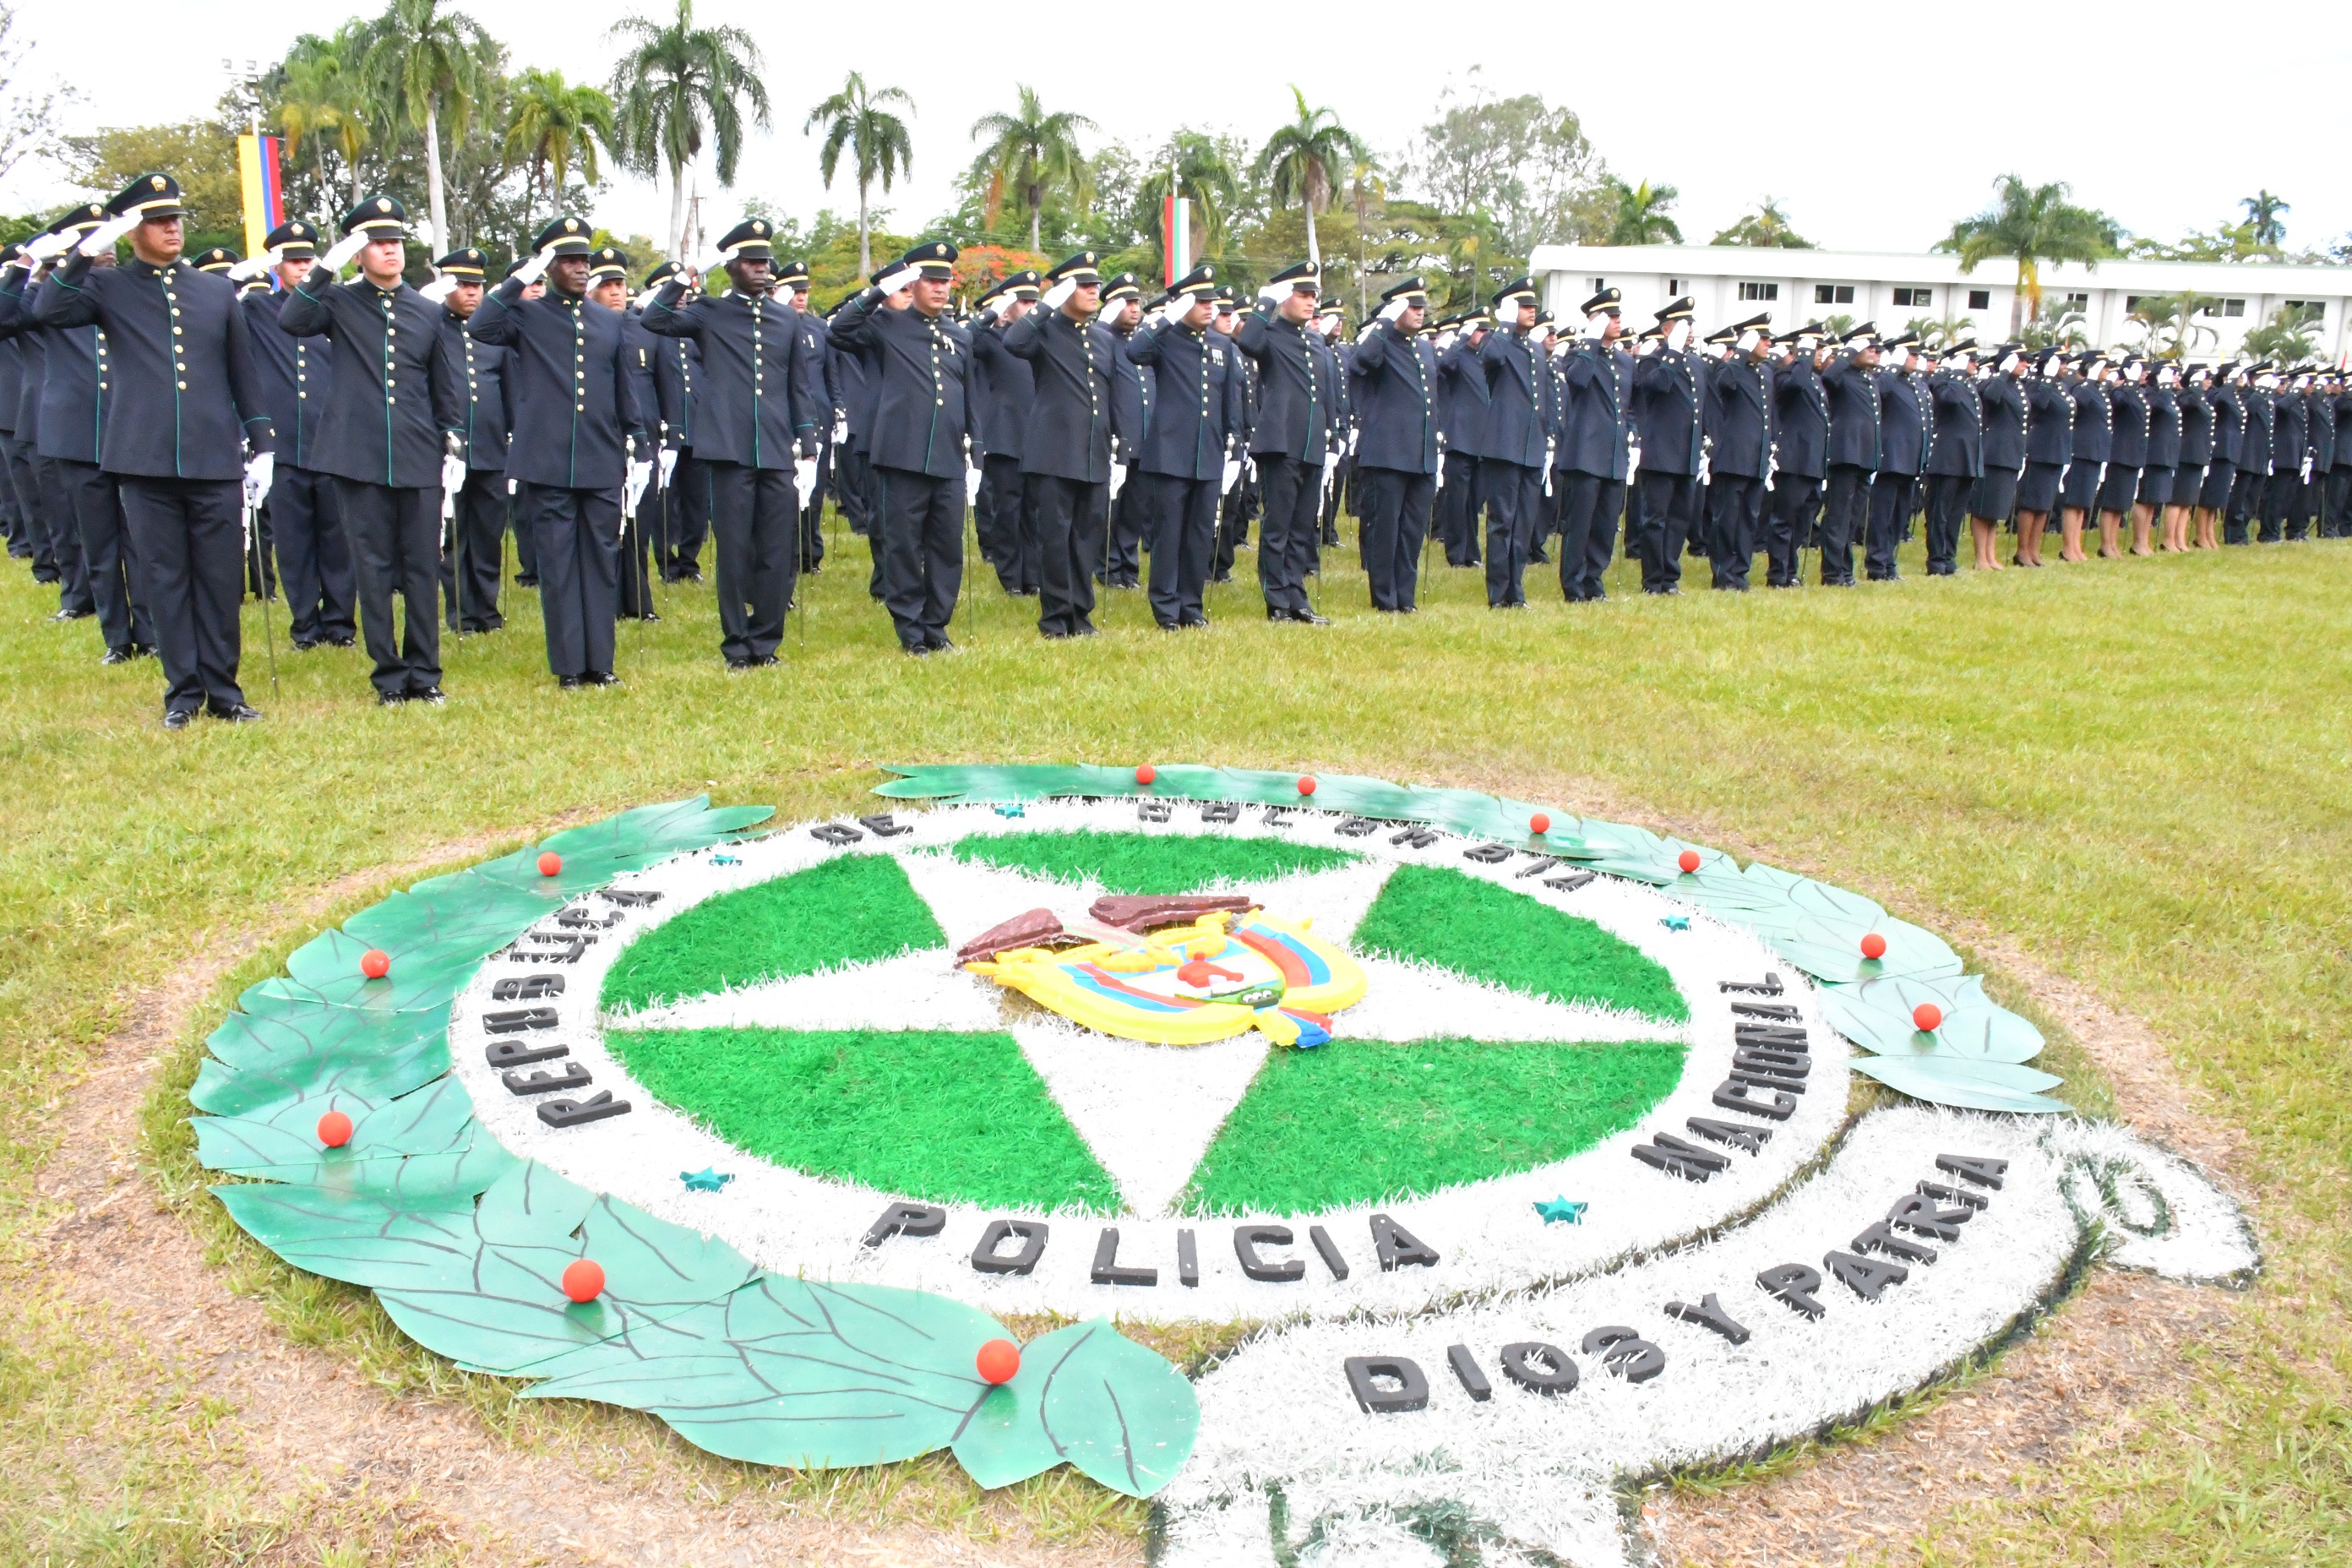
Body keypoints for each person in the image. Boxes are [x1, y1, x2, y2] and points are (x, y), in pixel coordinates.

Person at [35, 172, 275, 727]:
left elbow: (243, 372)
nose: (172, 229)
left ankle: (225, 691)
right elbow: (49, 310)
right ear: (132, 231)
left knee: (220, 579)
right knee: (165, 579)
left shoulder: (215, 291)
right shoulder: (108, 287)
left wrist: (263, 444)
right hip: (144, 459)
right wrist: (85, 251)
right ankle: (183, 693)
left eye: (175, 219)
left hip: (213, 456)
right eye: (158, 221)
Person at [277, 194, 466, 706]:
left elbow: (441, 384)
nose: (390, 250)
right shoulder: (340, 302)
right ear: (359, 253)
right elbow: (292, 320)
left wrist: (453, 439)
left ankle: (425, 673)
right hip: (357, 455)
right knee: (373, 568)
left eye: (395, 241)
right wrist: (325, 269)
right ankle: (389, 675)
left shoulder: (426, 310)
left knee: (423, 567)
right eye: (378, 243)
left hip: (417, 453)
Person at [468, 215, 649, 689]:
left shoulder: (609, 321)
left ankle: (600, 663)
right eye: (567, 260)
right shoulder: (526, 315)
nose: (580, 267)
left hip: (600, 456)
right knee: (559, 565)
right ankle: (570, 666)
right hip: (548, 461)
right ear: (548, 266)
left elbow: (622, 386)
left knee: (601, 562)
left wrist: (637, 442)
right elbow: (481, 326)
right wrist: (521, 277)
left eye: (583, 259)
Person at [641, 218, 826, 669]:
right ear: (730, 267)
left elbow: (797, 386)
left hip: (776, 448)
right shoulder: (710, 311)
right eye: (750, 262)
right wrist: (689, 274)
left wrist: (807, 446)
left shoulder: (786, 318)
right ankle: (737, 644)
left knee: (776, 549)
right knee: (734, 551)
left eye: (765, 261)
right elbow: (653, 318)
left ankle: (767, 641)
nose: (762, 268)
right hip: (728, 449)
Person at [9, 208, 147, 656]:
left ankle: (150, 634)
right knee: (99, 544)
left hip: (130, 430)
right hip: (79, 433)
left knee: (140, 542)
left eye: (109, 242)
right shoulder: (48, 296)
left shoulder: (127, 286)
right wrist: (24, 265)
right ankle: (117, 638)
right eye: (95, 244)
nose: (106, 252)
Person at [828, 241, 969, 654]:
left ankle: (936, 626)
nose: (940, 288)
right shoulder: (887, 325)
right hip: (902, 455)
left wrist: (975, 449)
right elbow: (839, 330)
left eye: (945, 281)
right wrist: (880, 290)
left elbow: (969, 394)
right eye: (930, 281)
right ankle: (911, 630)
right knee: (903, 546)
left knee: (947, 548)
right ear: (913, 284)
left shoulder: (960, 335)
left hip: (947, 455)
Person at [227, 219, 355, 651]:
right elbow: (214, 308)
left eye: (308, 260)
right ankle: (305, 625)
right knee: (293, 542)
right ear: (277, 267)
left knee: (337, 540)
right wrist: (236, 277)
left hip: (330, 441)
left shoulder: (335, 306)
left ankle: (340, 623)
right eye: (293, 261)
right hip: (282, 445)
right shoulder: (257, 308)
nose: (303, 267)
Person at [1003, 250, 1125, 638]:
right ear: (1065, 290)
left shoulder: (1102, 338)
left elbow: (1110, 392)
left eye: (1095, 285)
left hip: (1093, 451)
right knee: (1055, 539)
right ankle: (1056, 618)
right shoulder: (1045, 330)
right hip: (1054, 452)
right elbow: (1013, 342)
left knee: (1087, 538)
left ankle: (1080, 614)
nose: (1093, 291)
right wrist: (1045, 306)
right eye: (1083, 285)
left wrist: (1120, 446)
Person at [1123, 264, 1243, 628]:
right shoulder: (1166, 338)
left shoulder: (1222, 345)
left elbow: (1229, 401)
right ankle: (1166, 606)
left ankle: (1192, 605)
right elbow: (1135, 351)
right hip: (1170, 453)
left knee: (1200, 534)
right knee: (1169, 533)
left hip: (1208, 452)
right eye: (1200, 302)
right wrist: (1165, 317)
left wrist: (1234, 446)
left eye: (1211, 302)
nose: (1210, 307)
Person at [1237, 260, 1340, 624]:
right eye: (1303, 294)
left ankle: (1298, 599)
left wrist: (1331, 438)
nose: (1311, 301)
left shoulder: (1314, 340)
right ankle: (1276, 600)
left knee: (1302, 529)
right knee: (1277, 527)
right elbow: (1246, 342)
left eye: (1314, 295)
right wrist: (1266, 301)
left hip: (1311, 443)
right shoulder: (1269, 333)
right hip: (1279, 444)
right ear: (1286, 297)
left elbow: (1324, 393)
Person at [426, 246, 508, 632]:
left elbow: (509, 388)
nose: (472, 292)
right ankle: (461, 612)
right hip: (449, 449)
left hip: (492, 447)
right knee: (453, 535)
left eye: (477, 284)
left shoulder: (493, 333)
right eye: (462, 284)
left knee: (489, 534)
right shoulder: (432, 328)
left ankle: (487, 610)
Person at [1348, 275, 1440, 612]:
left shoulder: (1424, 347)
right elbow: (1359, 362)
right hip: (1387, 453)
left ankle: (1406, 597)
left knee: (1412, 531)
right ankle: (1385, 598)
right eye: (1412, 307)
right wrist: (1384, 322)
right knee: (1385, 529)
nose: (1420, 312)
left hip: (1420, 453)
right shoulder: (1381, 342)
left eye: (1421, 307)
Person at [1552, 289, 1633, 601]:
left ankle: (1594, 582)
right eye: (1610, 316)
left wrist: (1633, 436)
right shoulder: (1578, 355)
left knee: (1605, 525)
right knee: (1580, 525)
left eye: (1618, 315)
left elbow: (1630, 405)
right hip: (1585, 453)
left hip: (1614, 454)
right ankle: (1573, 586)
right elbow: (1578, 380)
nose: (1617, 321)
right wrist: (1590, 342)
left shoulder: (1624, 361)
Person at [966, 270, 1039, 595]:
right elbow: (965, 338)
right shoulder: (991, 339)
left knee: (1033, 511)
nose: (1031, 307)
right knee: (1008, 509)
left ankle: (1032, 575)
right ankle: (1010, 576)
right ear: (1008, 307)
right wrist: (994, 311)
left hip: (1036, 435)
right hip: (1006, 436)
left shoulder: (1039, 341)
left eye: (1034, 301)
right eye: (1023, 302)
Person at [1629, 297, 1707, 594]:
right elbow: (1658, 385)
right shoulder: (1653, 359)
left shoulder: (1696, 363)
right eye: (1683, 325)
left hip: (1687, 451)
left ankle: (1670, 577)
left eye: (1691, 325)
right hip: (1661, 452)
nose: (1690, 331)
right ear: (1666, 329)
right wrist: (1672, 352)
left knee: (1679, 519)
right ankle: (1653, 579)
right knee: (1655, 519)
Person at [1703, 313, 1773, 591]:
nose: (1768, 343)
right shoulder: (1731, 368)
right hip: (1732, 457)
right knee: (1726, 519)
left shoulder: (1765, 373)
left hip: (1756, 457)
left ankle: (1740, 573)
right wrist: (1741, 352)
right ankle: (1723, 574)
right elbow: (1724, 383)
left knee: (1748, 519)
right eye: (1762, 338)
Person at [1766, 322, 1829, 587]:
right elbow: (1795, 385)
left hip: (1813, 461)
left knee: (1803, 522)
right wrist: (1803, 356)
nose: (1820, 353)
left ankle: (1790, 571)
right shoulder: (1785, 375)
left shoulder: (1814, 379)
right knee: (1784, 520)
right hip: (1793, 460)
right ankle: (1777, 573)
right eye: (1816, 348)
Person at [1098, 272, 1151, 589]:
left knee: (1135, 509)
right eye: (1126, 303)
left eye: (1136, 302)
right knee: (1112, 508)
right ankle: (1108, 566)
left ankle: (1128, 567)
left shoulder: (1142, 343)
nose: (1134, 308)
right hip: (1116, 439)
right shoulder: (1103, 340)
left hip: (1143, 439)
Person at [1865, 333, 1928, 581]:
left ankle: (1889, 561)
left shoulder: (1917, 384)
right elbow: (1878, 392)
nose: (1916, 358)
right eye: (1911, 354)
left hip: (1911, 460)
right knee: (1882, 516)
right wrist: (1892, 367)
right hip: (1891, 459)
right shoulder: (1887, 379)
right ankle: (1877, 564)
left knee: (1900, 516)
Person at [1921, 340, 1982, 576]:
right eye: (1971, 359)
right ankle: (1936, 559)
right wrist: (1955, 372)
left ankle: (1948, 556)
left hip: (1965, 459)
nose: (1976, 364)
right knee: (1940, 512)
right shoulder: (1944, 381)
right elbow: (1950, 400)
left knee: (1956, 513)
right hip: (1946, 459)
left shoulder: (1967, 384)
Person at [1435, 310, 1489, 568]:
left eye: (1486, 330)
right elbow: (1444, 364)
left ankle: (1471, 551)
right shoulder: (1459, 356)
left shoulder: (1485, 358)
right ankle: (1456, 552)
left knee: (1475, 501)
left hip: (1483, 439)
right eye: (1479, 330)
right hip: (1460, 438)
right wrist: (1460, 338)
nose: (1484, 334)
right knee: (1457, 499)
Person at [1969, 343, 2027, 572]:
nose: (2025, 364)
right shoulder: (1993, 382)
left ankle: (1990, 554)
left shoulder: (2016, 386)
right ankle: (1980, 558)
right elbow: (1991, 398)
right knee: (1984, 507)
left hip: (2011, 453)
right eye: (2020, 359)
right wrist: (2003, 372)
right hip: (1994, 453)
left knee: (1996, 510)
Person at [2014, 348, 2072, 566]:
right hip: (2040, 450)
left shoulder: (2061, 387)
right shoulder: (2036, 385)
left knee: (2045, 505)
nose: (2065, 367)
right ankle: (2022, 551)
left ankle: (2034, 549)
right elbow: (2040, 404)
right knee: (2031, 503)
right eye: (2061, 362)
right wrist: (2047, 378)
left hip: (2057, 451)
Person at [2060, 353, 2110, 561]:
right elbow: (2078, 407)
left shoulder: (2098, 391)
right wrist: (2089, 379)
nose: (2108, 372)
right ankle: (2068, 548)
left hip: (2094, 452)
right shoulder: (2083, 389)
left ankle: (2076, 545)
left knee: (2083, 503)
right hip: (2081, 451)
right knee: (2073, 501)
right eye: (2104, 367)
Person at [2098, 357, 2148, 558]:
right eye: (2140, 370)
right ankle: (2106, 544)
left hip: (2133, 452)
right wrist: (2130, 383)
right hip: (2120, 452)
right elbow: (2121, 403)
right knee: (2111, 502)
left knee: (2121, 504)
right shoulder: (2119, 391)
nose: (2144, 374)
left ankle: (2113, 543)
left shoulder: (2137, 392)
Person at [2135, 362, 2180, 556]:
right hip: (2153, 453)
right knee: (2145, 499)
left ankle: (2145, 541)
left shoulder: (2168, 394)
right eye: (2171, 373)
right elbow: (2159, 407)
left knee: (2153, 501)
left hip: (2165, 453)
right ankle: (2138, 542)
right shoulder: (2151, 393)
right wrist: (2165, 386)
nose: (2175, 377)